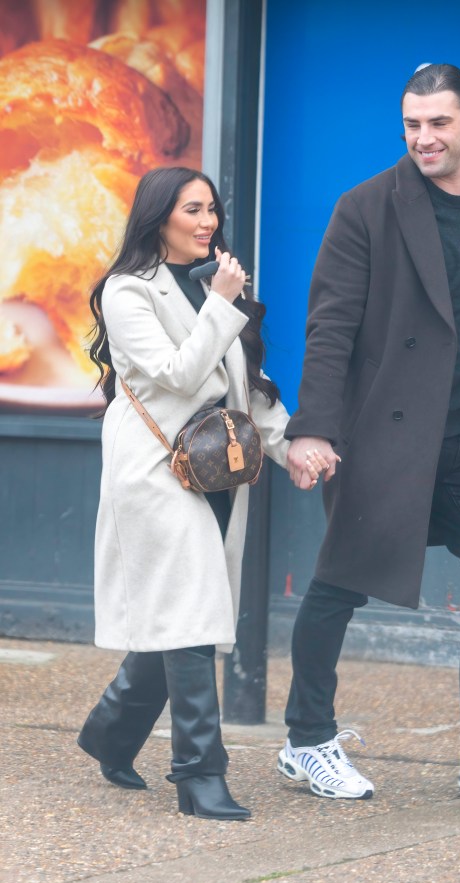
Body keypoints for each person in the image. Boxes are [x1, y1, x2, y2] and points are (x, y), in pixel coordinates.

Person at [277, 64, 460, 801]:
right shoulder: (366, 207)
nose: (423, 137)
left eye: (439, 122)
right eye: (412, 123)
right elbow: (330, 327)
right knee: (340, 582)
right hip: (387, 436)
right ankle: (306, 739)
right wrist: (313, 428)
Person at [77, 166, 326, 820]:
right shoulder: (127, 293)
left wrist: (288, 446)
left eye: (212, 209)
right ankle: (198, 775)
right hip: (156, 470)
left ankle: (111, 729)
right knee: (191, 613)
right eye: (192, 209)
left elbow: (246, 381)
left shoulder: (210, 286)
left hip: (217, 470)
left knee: (183, 611)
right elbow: (177, 380)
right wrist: (222, 302)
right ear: (159, 216)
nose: (207, 222)